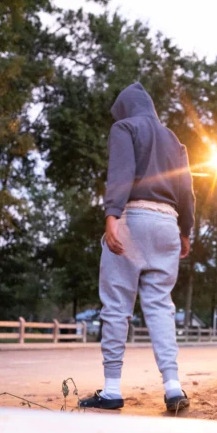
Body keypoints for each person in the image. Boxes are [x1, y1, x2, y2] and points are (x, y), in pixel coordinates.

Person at [79, 82, 195, 412]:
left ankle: (112, 389)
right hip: (167, 224)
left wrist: (112, 214)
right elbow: (187, 190)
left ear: (126, 109)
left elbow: (121, 173)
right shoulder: (174, 140)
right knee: (160, 306)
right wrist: (186, 230)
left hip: (132, 218)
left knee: (117, 305)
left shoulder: (125, 127)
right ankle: (173, 387)